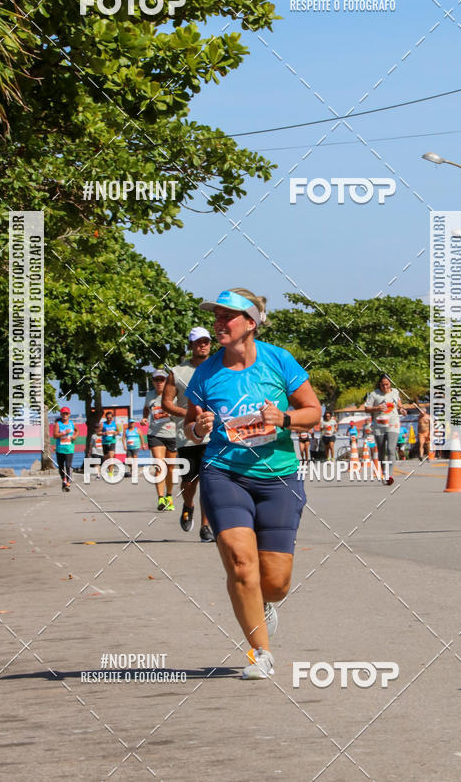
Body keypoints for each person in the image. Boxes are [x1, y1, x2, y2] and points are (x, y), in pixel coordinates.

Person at [184, 288, 321, 680]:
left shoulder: (279, 360)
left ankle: (264, 604)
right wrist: (198, 427)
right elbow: (190, 426)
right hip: (224, 472)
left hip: (278, 475)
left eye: (228, 316)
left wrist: (285, 420)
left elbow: (313, 411)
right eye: (217, 316)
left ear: (251, 322)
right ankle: (260, 652)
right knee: (241, 563)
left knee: (274, 583)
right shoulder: (206, 372)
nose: (219, 323)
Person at [162, 327, 214, 541]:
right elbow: (166, 403)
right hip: (188, 436)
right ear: (191, 345)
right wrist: (190, 414)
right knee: (190, 482)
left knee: (210, 482)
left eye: (206, 341)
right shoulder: (177, 372)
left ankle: (206, 526)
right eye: (198, 342)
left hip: (215, 435)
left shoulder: (219, 367)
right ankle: (188, 504)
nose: (202, 345)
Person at [364, 374, 414, 484]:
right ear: (379, 385)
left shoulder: (395, 392)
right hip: (379, 425)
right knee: (381, 451)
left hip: (393, 424)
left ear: (390, 383)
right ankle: (383, 473)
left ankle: (390, 475)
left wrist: (402, 410)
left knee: (391, 449)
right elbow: (366, 409)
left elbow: (399, 404)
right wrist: (377, 408)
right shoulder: (374, 394)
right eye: (382, 385)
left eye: (387, 384)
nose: (385, 387)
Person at [144, 370, 177, 511]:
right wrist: (145, 417)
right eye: (156, 380)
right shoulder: (150, 395)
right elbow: (146, 409)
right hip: (155, 434)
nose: (159, 382)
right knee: (159, 465)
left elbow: (181, 408)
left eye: (161, 379)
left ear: (166, 381)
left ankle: (169, 496)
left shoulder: (173, 394)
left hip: (172, 434)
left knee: (170, 468)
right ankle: (161, 498)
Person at [53, 406, 77, 491]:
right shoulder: (58, 424)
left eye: (67, 413)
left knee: (68, 466)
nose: (65, 415)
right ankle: (64, 480)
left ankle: (68, 483)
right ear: (61, 414)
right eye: (63, 413)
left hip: (69, 448)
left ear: (69, 414)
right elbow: (55, 435)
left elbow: (77, 431)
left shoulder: (72, 424)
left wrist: (74, 436)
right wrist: (64, 432)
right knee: (61, 467)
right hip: (60, 449)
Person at [99, 409, 118, 478]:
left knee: (111, 457)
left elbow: (118, 431)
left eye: (110, 418)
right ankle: (105, 465)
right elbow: (98, 433)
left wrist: (116, 433)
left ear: (112, 417)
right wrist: (104, 433)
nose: (109, 419)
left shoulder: (114, 424)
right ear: (106, 418)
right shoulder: (103, 424)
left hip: (112, 442)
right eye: (108, 418)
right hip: (105, 442)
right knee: (107, 458)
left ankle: (110, 473)